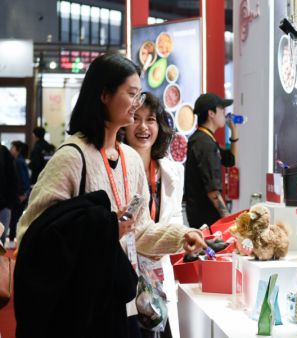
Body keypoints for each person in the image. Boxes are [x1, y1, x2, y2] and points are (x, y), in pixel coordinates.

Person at [16, 53, 205, 337]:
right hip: (80, 305)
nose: (136, 103)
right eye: (131, 94)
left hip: (120, 300)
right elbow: (31, 233)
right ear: (104, 94)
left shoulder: (130, 160)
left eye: (139, 95)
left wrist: (182, 236)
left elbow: (140, 232)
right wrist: (102, 229)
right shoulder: (71, 158)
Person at [123, 93, 180, 338]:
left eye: (151, 119)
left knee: (160, 330)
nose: (143, 126)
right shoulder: (117, 168)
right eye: (136, 118)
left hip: (159, 272)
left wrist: (172, 240)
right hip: (126, 270)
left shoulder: (172, 171)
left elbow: (175, 215)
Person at [184, 92, 239, 229]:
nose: (225, 113)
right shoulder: (204, 143)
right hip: (206, 219)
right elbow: (213, 191)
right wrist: (228, 221)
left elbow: (230, 161)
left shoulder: (204, 139)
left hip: (202, 216)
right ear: (211, 113)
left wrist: (234, 134)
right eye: (222, 109)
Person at [7, 141, 30, 249]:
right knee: (16, 218)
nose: (11, 149)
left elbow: (23, 179)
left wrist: (23, 194)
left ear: (17, 149)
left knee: (15, 218)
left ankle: (13, 242)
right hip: (21, 194)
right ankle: (14, 241)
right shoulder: (19, 161)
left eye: (12, 147)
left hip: (20, 195)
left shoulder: (18, 162)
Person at [0, 144, 19, 245]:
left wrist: (10, 203)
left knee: (1, 242)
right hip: (5, 204)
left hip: (4, 205)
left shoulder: (3, 152)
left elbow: (13, 179)